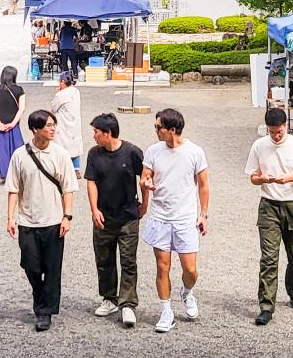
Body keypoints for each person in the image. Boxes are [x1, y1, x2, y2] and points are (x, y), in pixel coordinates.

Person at [6, 110, 78, 332]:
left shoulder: (60, 154)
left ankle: (45, 312)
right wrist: (10, 217)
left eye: (53, 124)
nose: (53, 128)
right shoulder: (20, 155)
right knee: (31, 266)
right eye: (48, 125)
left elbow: (68, 188)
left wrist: (67, 216)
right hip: (28, 220)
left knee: (53, 268)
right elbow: (13, 188)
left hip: (54, 220)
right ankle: (40, 299)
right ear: (35, 129)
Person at [244, 108, 293, 326]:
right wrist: (262, 178)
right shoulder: (259, 146)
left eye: (280, 131)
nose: (276, 135)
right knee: (269, 257)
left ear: (286, 126)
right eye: (272, 132)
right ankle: (266, 305)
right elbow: (253, 178)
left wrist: (290, 178)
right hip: (268, 206)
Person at [140, 109, 209, 333]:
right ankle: (166, 311)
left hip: (185, 218)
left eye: (158, 127)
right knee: (162, 266)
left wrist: (203, 214)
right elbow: (144, 176)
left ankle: (187, 293)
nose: (156, 131)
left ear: (172, 130)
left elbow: (203, 185)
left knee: (190, 270)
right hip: (160, 217)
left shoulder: (195, 152)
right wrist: (146, 184)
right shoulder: (153, 151)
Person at [85, 113, 146, 327]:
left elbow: (146, 178)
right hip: (104, 215)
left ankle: (128, 304)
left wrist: (144, 204)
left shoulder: (132, 152)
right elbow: (91, 182)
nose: (94, 137)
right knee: (104, 259)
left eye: (96, 132)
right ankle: (109, 298)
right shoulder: (94, 154)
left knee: (128, 260)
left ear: (108, 133)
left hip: (128, 215)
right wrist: (94, 209)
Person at [0, 66, 26, 183]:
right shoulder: (19, 90)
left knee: (0, 149)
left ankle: (3, 174)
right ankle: (18, 174)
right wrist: (13, 123)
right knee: (16, 148)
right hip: (13, 124)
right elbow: (21, 108)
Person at [50, 71, 83, 179]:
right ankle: (76, 169)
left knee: (62, 145)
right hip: (75, 122)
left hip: (63, 123)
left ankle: (62, 168)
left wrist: (57, 94)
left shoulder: (61, 95)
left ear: (63, 82)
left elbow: (53, 108)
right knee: (75, 144)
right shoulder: (76, 92)